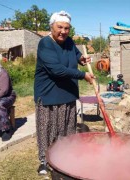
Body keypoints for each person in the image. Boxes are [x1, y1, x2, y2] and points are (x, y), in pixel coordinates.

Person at [34, 10, 94, 175]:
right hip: (48, 95)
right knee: (47, 130)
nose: (63, 31)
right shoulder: (45, 44)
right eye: (60, 27)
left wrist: (81, 60)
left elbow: (76, 55)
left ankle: (65, 157)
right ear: (51, 26)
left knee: (67, 130)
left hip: (67, 93)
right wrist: (83, 75)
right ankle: (44, 162)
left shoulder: (69, 42)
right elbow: (56, 70)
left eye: (66, 28)